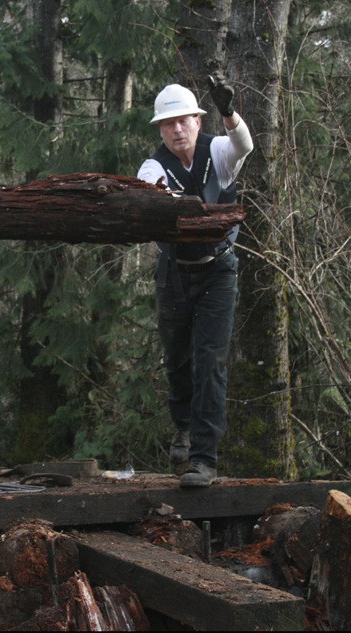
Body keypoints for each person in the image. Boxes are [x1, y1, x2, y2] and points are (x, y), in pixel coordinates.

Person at [137, 74, 253, 487]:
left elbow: (245, 146)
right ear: (161, 129)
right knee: (178, 360)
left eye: (184, 120)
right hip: (174, 274)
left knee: (211, 362)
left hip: (218, 270)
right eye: (169, 123)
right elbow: (151, 193)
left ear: (198, 121)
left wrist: (230, 113)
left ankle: (204, 459)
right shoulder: (153, 165)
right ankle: (182, 426)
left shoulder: (218, 150)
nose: (178, 129)